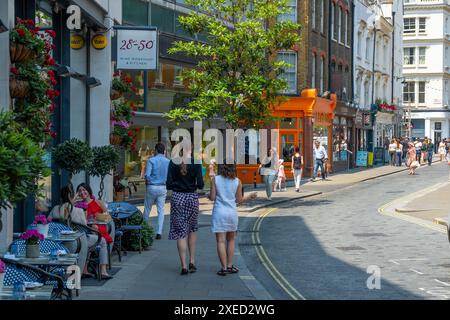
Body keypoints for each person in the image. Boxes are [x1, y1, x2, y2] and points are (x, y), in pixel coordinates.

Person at [50, 185, 112, 279]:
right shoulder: (78, 211)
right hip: (77, 241)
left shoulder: (55, 209)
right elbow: (85, 228)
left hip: (58, 242)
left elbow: (48, 223)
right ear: (72, 197)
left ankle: (85, 270)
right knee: (102, 240)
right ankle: (103, 271)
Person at [209, 163, 257, 276]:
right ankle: (230, 266)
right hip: (231, 214)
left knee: (220, 241)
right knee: (231, 240)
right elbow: (239, 200)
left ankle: (224, 268)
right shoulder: (237, 181)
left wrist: (209, 194)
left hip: (219, 213)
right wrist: (250, 196)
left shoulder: (215, 179)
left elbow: (212, 197)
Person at [166, 147, 204, 275]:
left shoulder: (172, 162)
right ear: (191, 150)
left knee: (180, 232)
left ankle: (183, 265)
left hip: (177, 198)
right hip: (192, 198)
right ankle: (192, 261)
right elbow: (200, 184)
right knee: (192, 229)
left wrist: (178, 185)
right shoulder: (197, 163)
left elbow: (168, 184)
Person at [143, 143, 170, 240]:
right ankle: (159, 232)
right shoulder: (168, 161)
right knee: (161, 210)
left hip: (152, 186)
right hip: (162, 187)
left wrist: (148, 182)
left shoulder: (151, 160)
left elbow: (147, 175)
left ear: (156, 150)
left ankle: (144, 229)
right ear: (164, 151)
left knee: (147, 209)